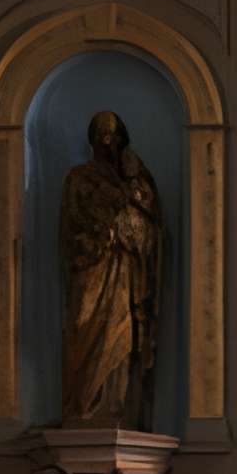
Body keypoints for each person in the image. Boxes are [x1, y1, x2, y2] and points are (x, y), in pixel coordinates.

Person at [58, 110, 163, 427]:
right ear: (92, 139)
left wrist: (132, 191)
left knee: (121, 335)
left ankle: (115, 410)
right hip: (92, 268)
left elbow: (151, 228)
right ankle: (82, 407)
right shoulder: (78, 178)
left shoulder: (135, 183)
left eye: (112, 133)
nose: (107, 139)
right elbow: (69, 226)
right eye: (101, 133)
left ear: (121, 139)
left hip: (124, 273)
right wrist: (99, 236)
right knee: (85, 326)